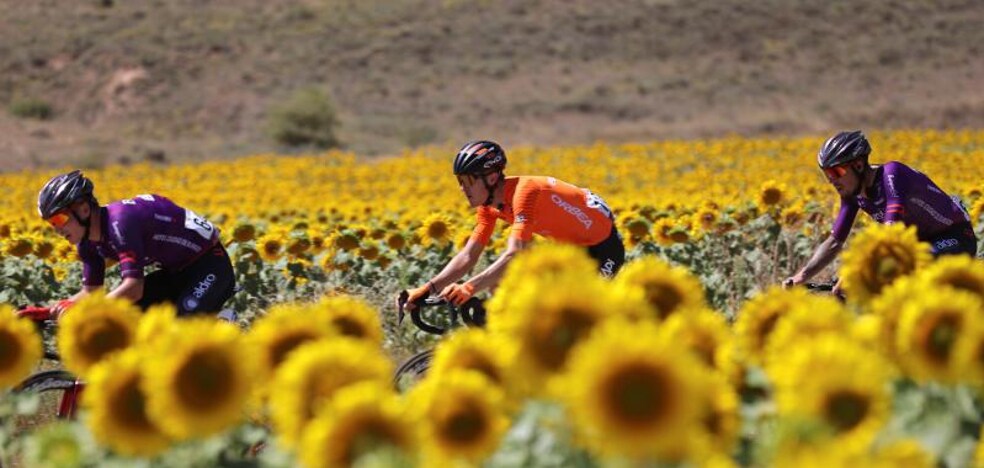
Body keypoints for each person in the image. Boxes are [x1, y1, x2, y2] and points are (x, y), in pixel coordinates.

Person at [402, 140, 625, 310]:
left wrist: (468, 287)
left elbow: (516, 253)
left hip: (603, 250)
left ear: (490, 178)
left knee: (572, 313)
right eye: (460, 182)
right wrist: (428, 289)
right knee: (503, 289)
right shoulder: (488, 207)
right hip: (569, 250)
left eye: (468, 181)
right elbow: (469, 256)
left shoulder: (525, 193)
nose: (463, 189)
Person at [784, 130, 977, 292]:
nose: (831, 180)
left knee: (906, 275)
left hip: (956, 236)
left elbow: (889, 232)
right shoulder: (853, 195)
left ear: (858, 165)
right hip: (919, 245)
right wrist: (801, 276)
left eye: (836, 172)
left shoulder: (892, 174)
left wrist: (853, 273)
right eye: (827, 174)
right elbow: (834, 241)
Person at [38, 170, 235, 317]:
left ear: (83, 210)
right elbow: (91, 293)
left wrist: (86, 312)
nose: (56, 228)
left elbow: (133, 289)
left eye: (59, 219)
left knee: (177, 328)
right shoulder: (87, 243)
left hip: (211, 267)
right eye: (51, 223)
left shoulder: (121, 222)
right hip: (175, 273)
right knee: (128, 317)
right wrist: (44, 312)